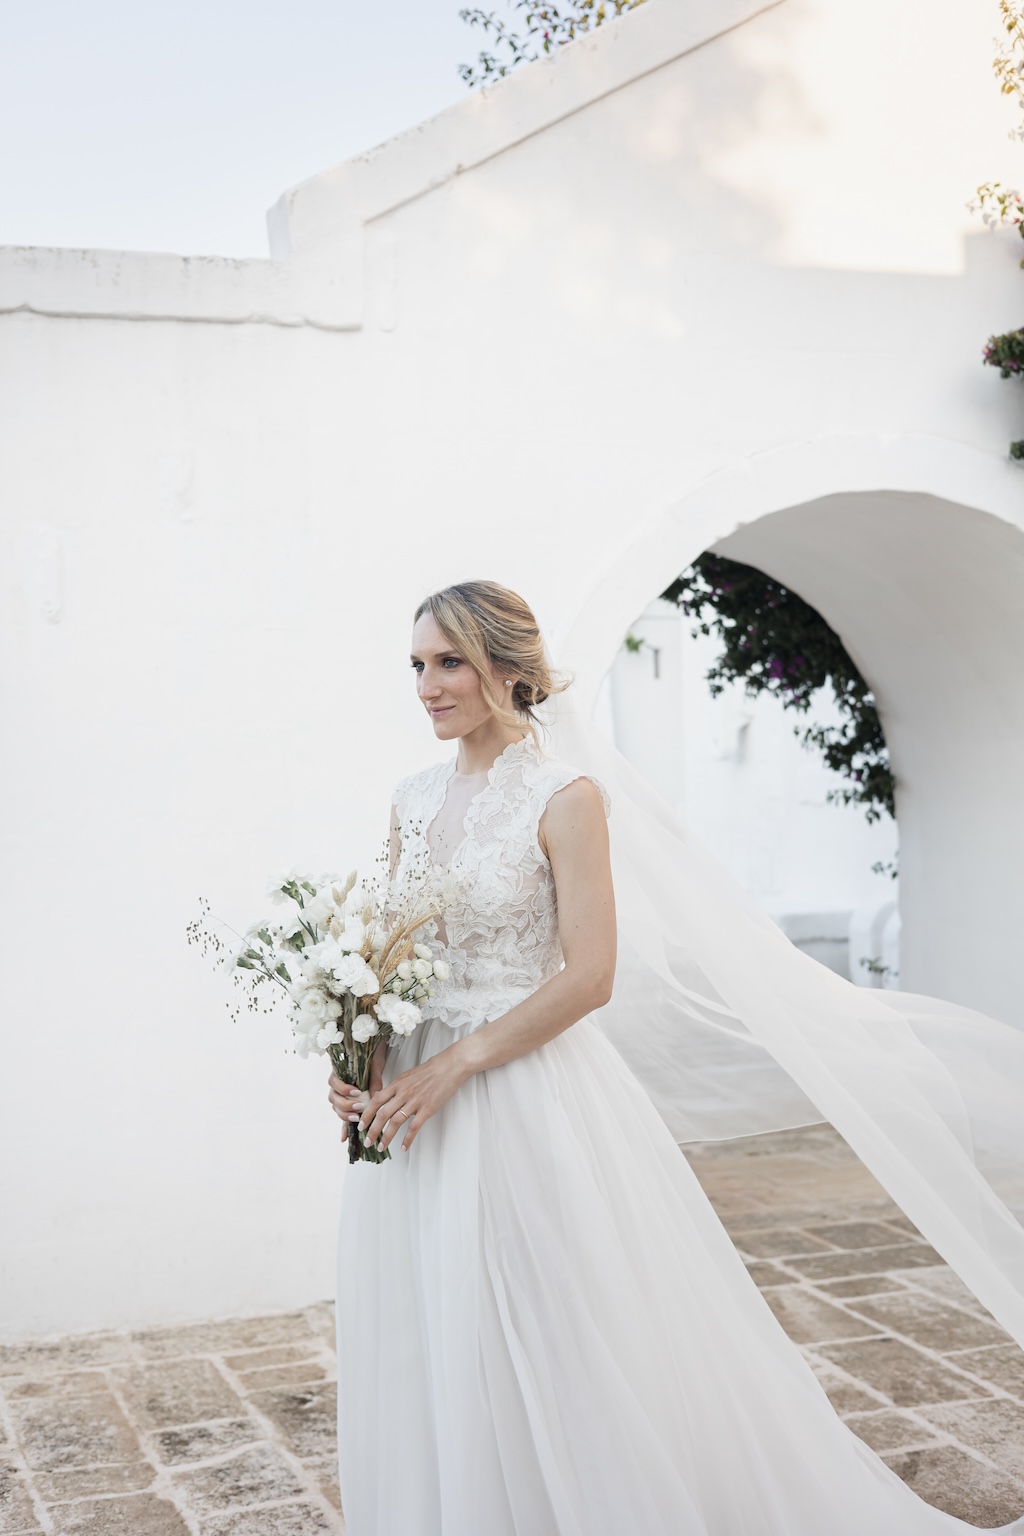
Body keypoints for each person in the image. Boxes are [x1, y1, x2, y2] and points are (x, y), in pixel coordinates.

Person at [327, 579, 1024, 1536]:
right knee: (428, 1326)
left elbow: (591, 976)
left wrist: (459, 1063)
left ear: (508, 668)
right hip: (411, 1104)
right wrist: (357, 1056)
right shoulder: (411, 800)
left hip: (517, 1095)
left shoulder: (565, 798)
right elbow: (393, 953)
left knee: (546, 1325)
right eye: (417, 665)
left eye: (448, 662)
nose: (427, 685)